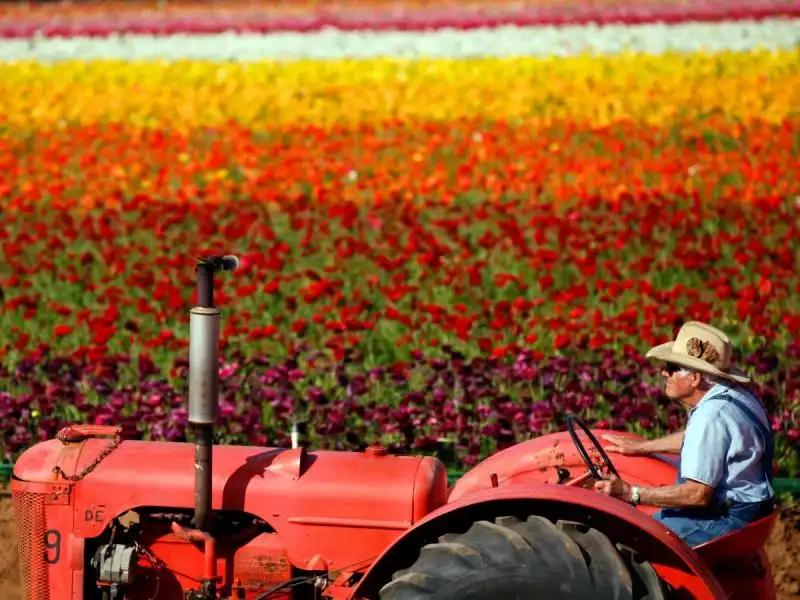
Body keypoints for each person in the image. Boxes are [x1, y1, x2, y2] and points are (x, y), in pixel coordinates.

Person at [593, 321, 776, 547]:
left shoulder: (711, 415)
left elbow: (697, 494)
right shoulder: (735, 397)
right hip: (752, 511)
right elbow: (706, 442)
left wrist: (631, 493)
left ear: (695, 378)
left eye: (671, 367)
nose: (663, 372)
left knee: (628, 544)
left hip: (727, 518)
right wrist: (641, 447)